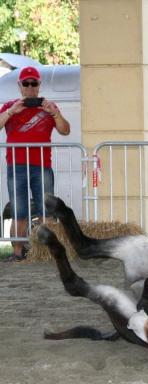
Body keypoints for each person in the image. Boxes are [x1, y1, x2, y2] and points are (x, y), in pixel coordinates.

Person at [0, 66, 70, 262]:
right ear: (19, 85)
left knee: (46, 211)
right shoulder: (9, 107)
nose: (30, 88)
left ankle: (46, 252)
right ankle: (17, 253)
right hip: (17, 166)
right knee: (19, 211)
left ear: (39, 85)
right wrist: (12, 112)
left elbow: (65, 131)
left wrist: (54, 113)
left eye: (34, 83)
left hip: (42, 166)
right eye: (26, 83)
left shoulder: (49, 107)